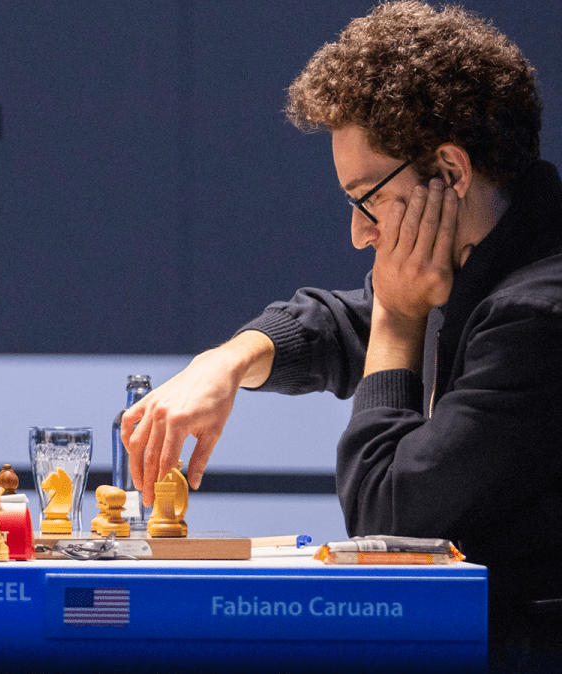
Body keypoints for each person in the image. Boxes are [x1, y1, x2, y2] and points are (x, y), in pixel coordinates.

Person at [121, 0, 562, 652]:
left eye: (368, 199)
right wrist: (227, 362)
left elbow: (388, 522)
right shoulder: (493, 259)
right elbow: (341, 321)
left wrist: (399, 318)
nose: (359, 233)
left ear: (449, 172)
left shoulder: (537, 317)